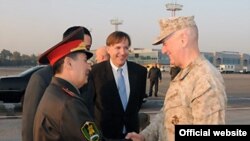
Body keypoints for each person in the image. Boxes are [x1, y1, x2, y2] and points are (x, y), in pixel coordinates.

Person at [126, 16, 227, 141]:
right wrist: (144, 136)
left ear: (183, 40)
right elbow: (166, 116)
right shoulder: (183, 75)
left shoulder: (205, 79)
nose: (163, 50)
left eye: (165, 43)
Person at [22, 26, 93, 141]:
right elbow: (29, 123)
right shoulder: (67, 101)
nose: (89, 66)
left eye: (88, 48)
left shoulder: (56, 89)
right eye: (85, 60)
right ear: (69, 63)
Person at [89, 31, 147, 139]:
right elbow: (90, 103)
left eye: (126, 48)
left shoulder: (140, 72)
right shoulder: (95, 72)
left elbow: (138, 102)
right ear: (108, 49)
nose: (123, 52)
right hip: (105, 135)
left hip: (131, 135)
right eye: (118, 47)